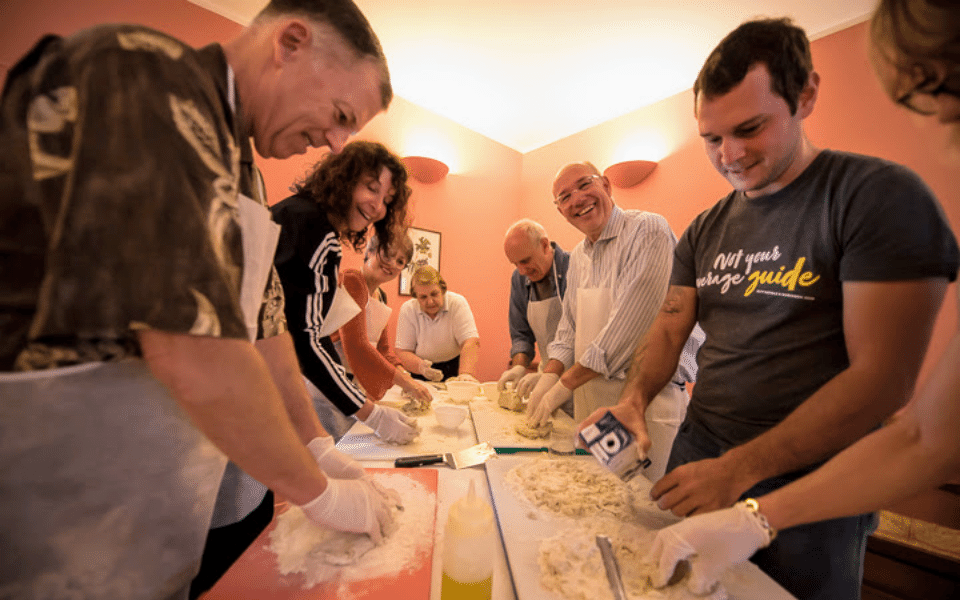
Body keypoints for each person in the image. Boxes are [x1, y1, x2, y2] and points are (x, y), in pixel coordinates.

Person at [0, 1, 402, 598]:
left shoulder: (243, 173)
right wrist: (316, 491)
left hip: (149, 489)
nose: (338, 141)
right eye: (342, 113)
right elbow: (191, 346)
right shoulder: (140, 73)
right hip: (53, 477)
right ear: (290, 42)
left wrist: (316, 446)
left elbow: (269, 336)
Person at [581, 17, 959, 600]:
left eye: (750, 128)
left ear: (805, 95)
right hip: (699, 456)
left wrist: (741, 471)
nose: (729, 155)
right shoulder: (706, 228)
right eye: (711, 139)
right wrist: (633, 400)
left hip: (815, 486)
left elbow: (883, 382)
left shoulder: (873, 198)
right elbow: (669, 326)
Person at [526, 161, 702, 482]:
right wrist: (548, 376)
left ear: (606, 185)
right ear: (561, 211)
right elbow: (568, 330)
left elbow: (628, 331)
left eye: (584, 185)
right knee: (598, 506)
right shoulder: (579, 255)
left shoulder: (648, 230)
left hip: (647, 405)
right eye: (564, 197)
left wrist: (562, 386)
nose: (576, 199)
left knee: (645, 513)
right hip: (592, 403)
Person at [271, 140, 422, 444]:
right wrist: (372, 413)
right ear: (343, 179)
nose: (378, 206)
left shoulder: (307, 220)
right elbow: (307, 340)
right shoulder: (315, 230)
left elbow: (314, 334)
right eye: (371, 188)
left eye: (387, 199)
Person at [333, 233, 434, 407]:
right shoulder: (352, 280)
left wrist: (406, 374)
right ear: (370, 251)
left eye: (400, 261)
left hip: (354, 384)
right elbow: (357, 344)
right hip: (332, 382)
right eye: (388, 254)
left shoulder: (380, 296)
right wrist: (406, 383)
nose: (393, 264)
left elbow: (383, 350)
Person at [496, 219, 570, 398]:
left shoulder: (574, 267)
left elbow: (577, 335)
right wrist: (519, 366)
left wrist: (550, 375)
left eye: (525, 261)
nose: (522, 271)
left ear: (544, 245)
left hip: (578, 379)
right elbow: (521, 334)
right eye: (515, 264)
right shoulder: (519, 280)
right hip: (545, 377)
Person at [396, 265, 481, 382]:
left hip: (454, 368)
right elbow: (403, 351)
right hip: (419, 371)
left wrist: (466, 374)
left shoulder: (457, 303)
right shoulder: (408, 309)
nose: (430, 301)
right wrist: (422, 368)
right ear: (415, 297)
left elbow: (470, 341)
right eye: (423, 297)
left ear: (443, 289)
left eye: (434, 294)